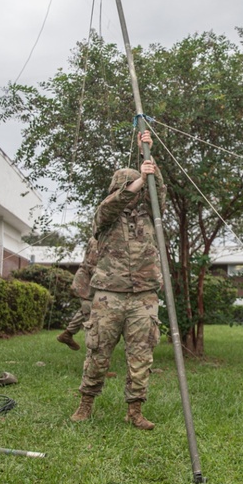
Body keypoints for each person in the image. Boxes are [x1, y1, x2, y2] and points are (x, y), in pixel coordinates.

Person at [71, 130, 165, 430]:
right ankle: (85, 403)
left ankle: (135, 410)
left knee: (142, 355)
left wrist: (146, 153)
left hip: (144, 296)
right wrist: (136, 180)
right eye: (129, 188)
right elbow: (110, 206)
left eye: (138, 188)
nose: (136, 193)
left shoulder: (149, 215)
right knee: (98, 352)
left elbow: (158, 190)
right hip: (108, 296)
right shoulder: (105, 216)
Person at [56, 237, 99, 351]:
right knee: (91, 319)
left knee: (85, 310)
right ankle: (92, 358)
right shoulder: (97, 239)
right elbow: (92, 265)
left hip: (90, 284)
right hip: (86, 283)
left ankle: (67, 334)